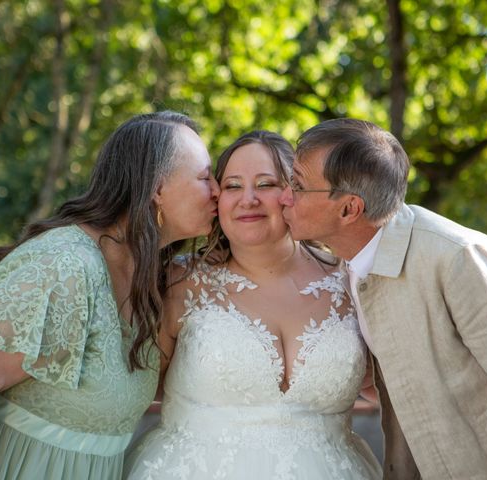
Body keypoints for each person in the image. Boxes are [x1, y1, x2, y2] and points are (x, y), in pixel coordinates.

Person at [278, 117, 487, 479]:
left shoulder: (458, 259)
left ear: (349, 209)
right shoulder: (346, 268)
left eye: (297, 185)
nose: (284, 196)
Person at [0, 111, 220, 480]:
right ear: (157, 188)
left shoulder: (151, 279)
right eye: (204, 177)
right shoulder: (65, 264)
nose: (218, 190)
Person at [124, 130, 382, 480]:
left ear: (293, 194)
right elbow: (134, 391)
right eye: (232, 185)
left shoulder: (351, 281)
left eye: (266, 184)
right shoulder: (180, 282)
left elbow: (387, 386)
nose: (248, 199)